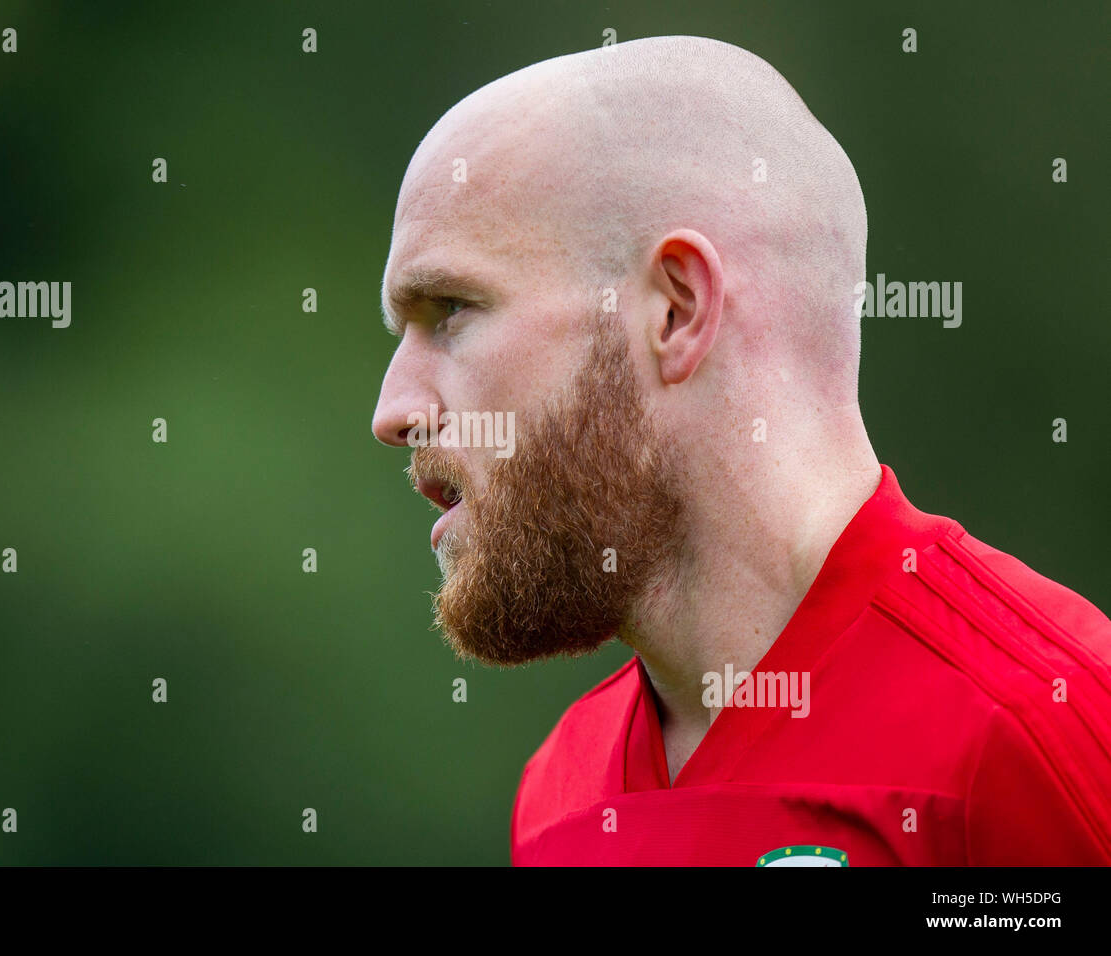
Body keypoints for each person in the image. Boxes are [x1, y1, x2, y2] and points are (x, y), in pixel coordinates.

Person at [371, 35, 1111, 865]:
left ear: (676, 311)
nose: (392, 412)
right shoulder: (559, 797)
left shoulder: (1044, 729)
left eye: (451, 311)